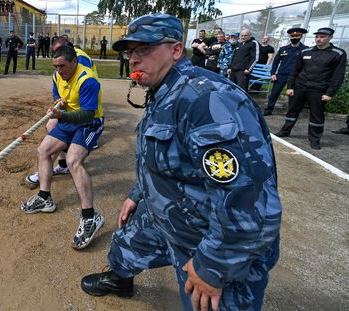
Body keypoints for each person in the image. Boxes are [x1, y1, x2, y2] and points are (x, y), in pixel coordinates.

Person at [80, 14, 282, 311]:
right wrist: (138, 194)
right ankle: (120, 278)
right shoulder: (166, 90)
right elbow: (166, 155)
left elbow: (250, 205)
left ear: (176, 50)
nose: (133, 59)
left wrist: (213, 268)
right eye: (130, 51)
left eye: (144, 49)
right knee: (126, 243)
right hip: (168, 211)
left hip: (207, 238)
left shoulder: (206, 101)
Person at [20, 45, 105, 250]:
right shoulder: (57, 76)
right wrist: (59, 105)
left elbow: (87, 114)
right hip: (68, 120)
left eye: (63, 66)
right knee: (43, 151)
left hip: (89, 123)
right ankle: (45, 198)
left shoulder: (88, 80)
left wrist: (61, 116)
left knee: (73, 160)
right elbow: (58, 96)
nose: (59, 71)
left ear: (74, 62)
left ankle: (90, 217)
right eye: (56, 66)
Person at [24, 35, 100, 186]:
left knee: (59, 130)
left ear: (69, 50)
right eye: (54, 53)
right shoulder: (59, 69)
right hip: (69, 107)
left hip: (83, 108)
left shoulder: (80, 60)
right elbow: (58, 89)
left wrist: (63, 113)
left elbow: (82, 85)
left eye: (59, 52)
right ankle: (60, 166)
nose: (56, 57)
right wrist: (59, 100)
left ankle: (60, 163)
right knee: (51, 126)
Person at [275, 27, 347, 150]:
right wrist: (290, 86)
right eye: (317, 36)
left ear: (330, 38)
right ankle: (285, 131)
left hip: (319, 89)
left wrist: (330, 93)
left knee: (316, 115)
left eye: (322, 37)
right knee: (292, 110)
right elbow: (295, 70)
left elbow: (338, 76)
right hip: (300, 87)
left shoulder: (338, 54)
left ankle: (315, 139)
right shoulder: (305, 52)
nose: (319, 39)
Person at [263, 28, 308, 116]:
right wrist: (272, 73)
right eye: (292, 36)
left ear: (301, 36)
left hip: (296, 77)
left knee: (292, 96)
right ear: (289, 37)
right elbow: (275, 62)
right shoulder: (283, 49)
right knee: (274, 94)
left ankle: (291, 113)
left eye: (296, 36)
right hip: (281, 75)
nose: (294, 37)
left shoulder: (305, 50)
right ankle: (268, 110)